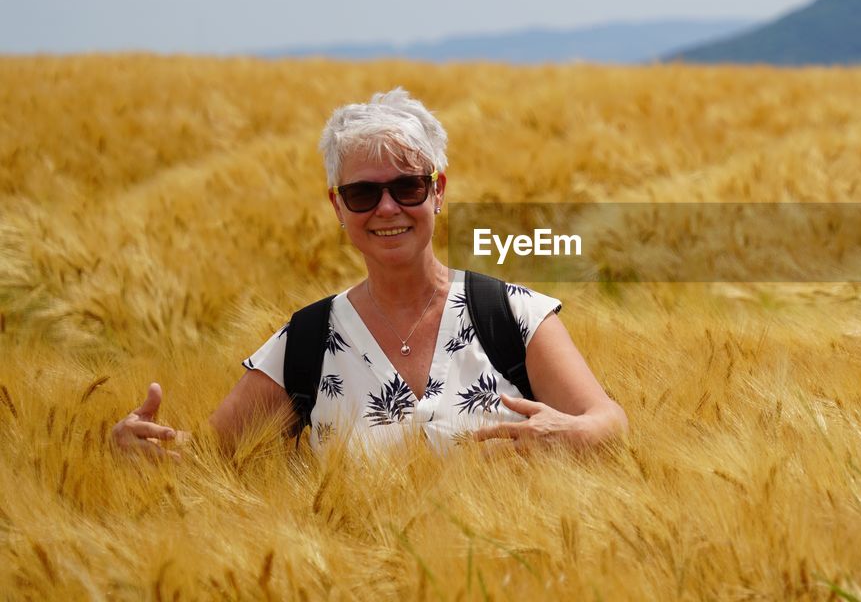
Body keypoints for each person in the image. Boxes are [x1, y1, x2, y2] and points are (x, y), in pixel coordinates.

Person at [112, 89, 627, 458]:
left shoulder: (511, 315)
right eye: (362, 194)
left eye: (408, 188)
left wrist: (574, 435)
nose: (387, 209)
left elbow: (610, 421)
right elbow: (202, 456)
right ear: (337, 206)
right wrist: (140, 445)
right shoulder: (308, 341)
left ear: (439, 192)